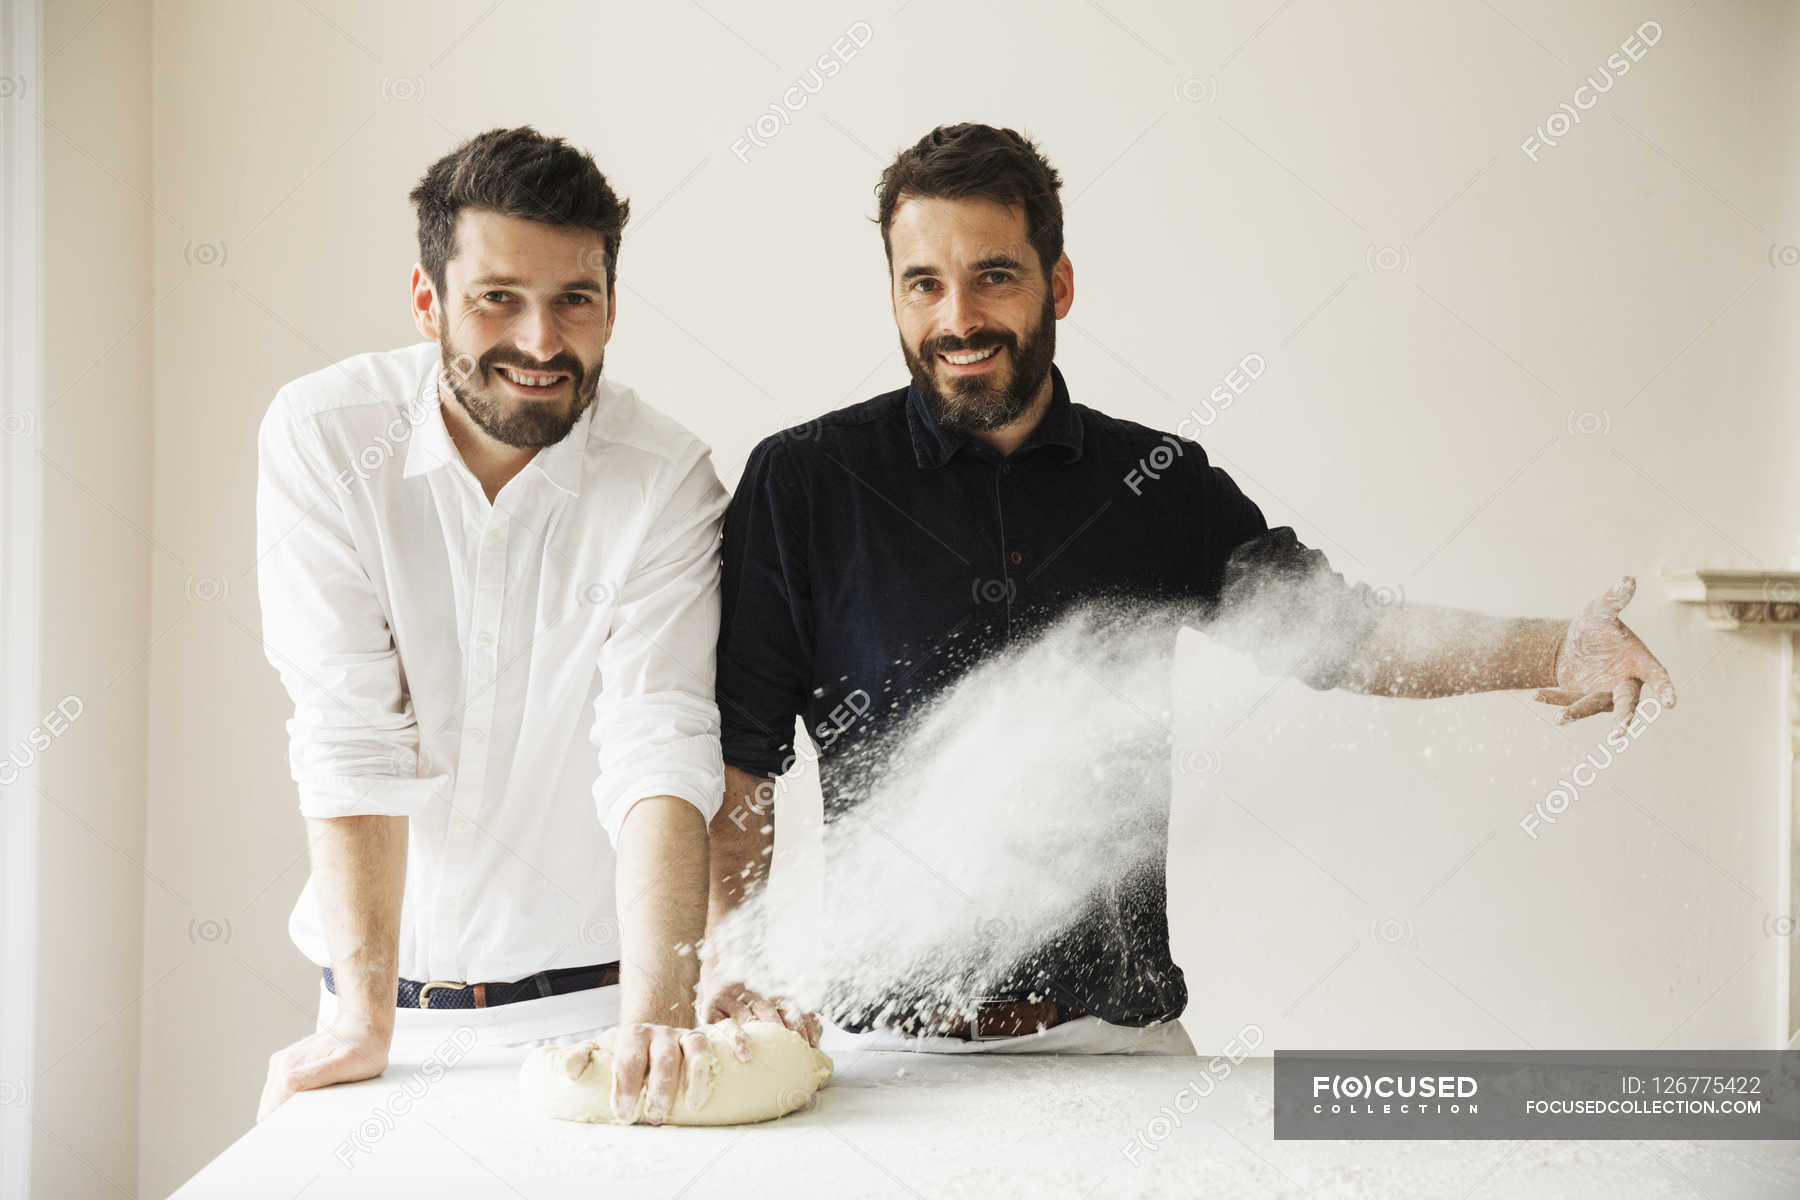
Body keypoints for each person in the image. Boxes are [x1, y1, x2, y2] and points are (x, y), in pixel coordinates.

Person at [701, 122, 1676, 1056]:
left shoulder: (1157, 483)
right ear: (895, 296)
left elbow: (1344, 635)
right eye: (924, 285)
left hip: (1118, 1047)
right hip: (881, 1054)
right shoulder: (805, 483)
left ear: (1059, 284)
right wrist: (731, 964)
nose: (958, 319)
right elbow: (744, 768)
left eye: (993, 277)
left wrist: (1556, 647)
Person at [256, 127, 730, 1124]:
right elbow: (348, 726)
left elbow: (659, 738)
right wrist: (365, 1027)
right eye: (498, 299)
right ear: (429, 302)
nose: (544, 342)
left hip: (600, 1020)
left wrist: (659, 1019)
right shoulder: (322, 436)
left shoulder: (666, 477)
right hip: (374, 1022)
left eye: (575, 301)